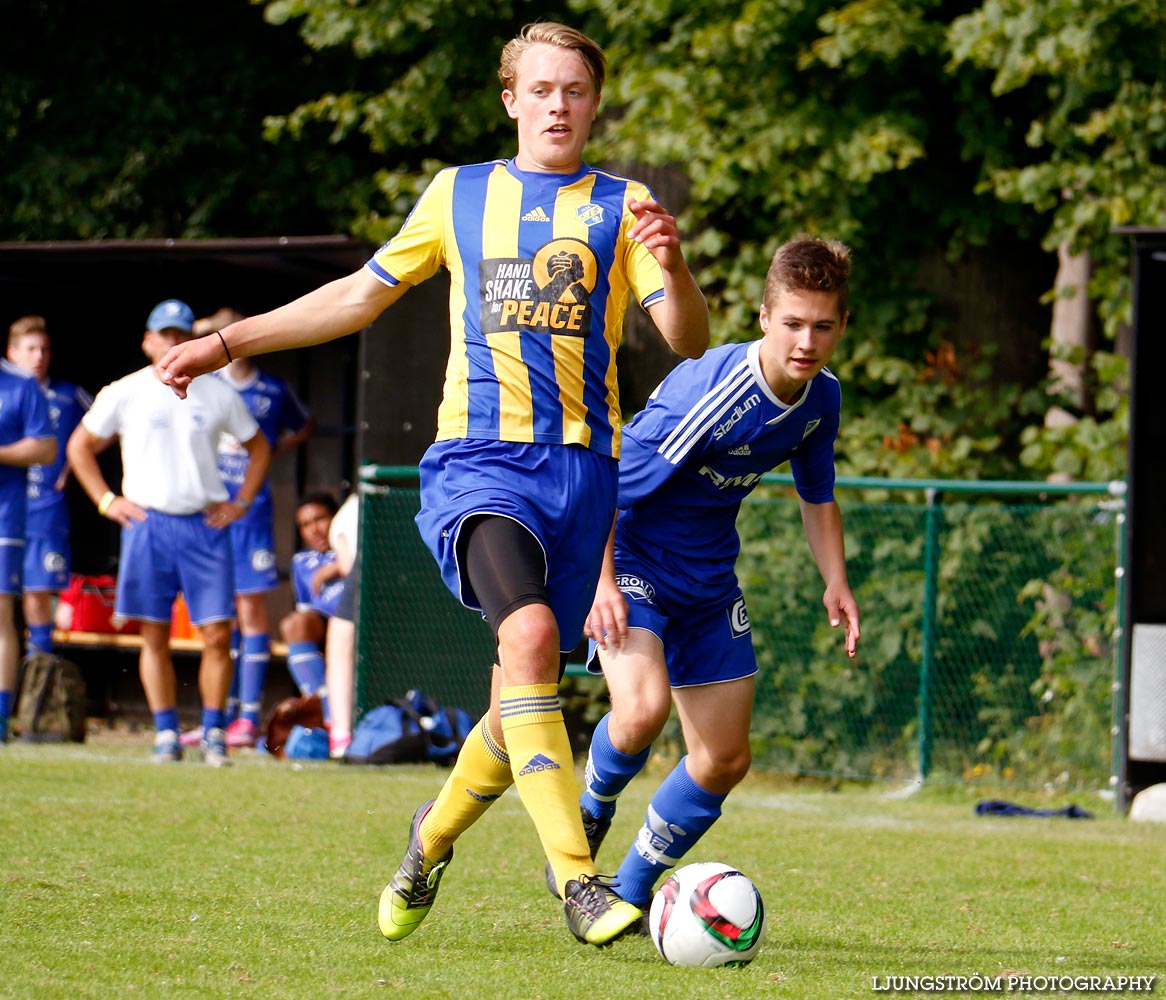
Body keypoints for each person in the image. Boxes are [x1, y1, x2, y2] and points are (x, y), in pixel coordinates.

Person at [155, 21, 708, 947]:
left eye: (574, 90)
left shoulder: (625, 205)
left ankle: (428, 841)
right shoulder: (459, 195)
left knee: (512, 701)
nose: (558, 106)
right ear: (511, 100)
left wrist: (678, 263)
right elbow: (358, 298)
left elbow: (686, 340)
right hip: (480, 463)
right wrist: (224, 343)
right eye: (540, 90)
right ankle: (577, 882)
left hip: (585, 478)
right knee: (529, 636)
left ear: (595, 103)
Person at [561, 236, 861, 914]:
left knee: (724, 759)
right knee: (640, 714)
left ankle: (628, 895)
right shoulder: (713, 393)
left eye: (821, 326)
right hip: (632, 559)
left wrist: (835, 580)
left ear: (842, 326)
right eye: (791, 323)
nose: (805, 341)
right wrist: (600, 583)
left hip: (709, 581)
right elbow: (605, 480)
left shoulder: (821, 400)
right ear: (763, 317)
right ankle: (589, 812)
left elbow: (818, 494)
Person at [66, 299, 272, 765]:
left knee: (218, 634)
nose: (174, 341)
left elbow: (260, 447)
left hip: (203, 523)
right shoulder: (125, 390)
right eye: (165, 333)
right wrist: (105, 500)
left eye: (182, 333)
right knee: (154, 635)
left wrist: (239, 502)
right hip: (147, 524)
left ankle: (215, 733)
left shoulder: (218, 392)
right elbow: (80, 444)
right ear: (147, 340)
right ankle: (165, 733)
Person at [188, 307, 315, 750]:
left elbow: (304, 425)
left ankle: (246, 716)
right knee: (214, 613)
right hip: (207, 507)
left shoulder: (271, 389)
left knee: (251, 609)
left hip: (251, 508)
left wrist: (271, 451)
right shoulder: (205, 387)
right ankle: (215, 716)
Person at [7, 316, 93, 659]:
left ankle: (36, 691)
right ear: (12, 353)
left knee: (37, 594)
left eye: (44, 349)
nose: (38, 356)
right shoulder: (6, 393)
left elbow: (103, 422)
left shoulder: (67, 394)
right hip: (7, 507)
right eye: (30, 349)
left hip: (44, 507)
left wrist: (73, 461)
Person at [0, 347, 56, 739]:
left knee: (1, 615)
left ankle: (1, 717)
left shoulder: (21, 384)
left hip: (4, 515)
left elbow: (46, 447)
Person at [279, 492, 344, 716]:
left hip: (356, 625)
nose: (314, 529)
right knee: (293, 624)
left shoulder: (355, 546)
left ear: (336, 518)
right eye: (305, 525)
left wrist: (337, 567)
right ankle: (324, 712)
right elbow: (304, 609)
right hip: (324, 629)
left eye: (319, 519)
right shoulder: (301, 562)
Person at [322, 491, 360, 759]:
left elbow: (347, 566)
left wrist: (332, 569)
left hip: (369, 574)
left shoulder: (348, 514)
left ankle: (340, 734)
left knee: (340, 636)